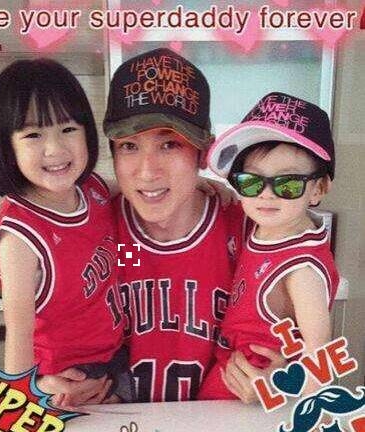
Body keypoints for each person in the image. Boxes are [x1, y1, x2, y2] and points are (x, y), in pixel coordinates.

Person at [102, 48, 283, 403]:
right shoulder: (104, 233)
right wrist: (50, 383)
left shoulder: (249, 231)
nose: (147, 171)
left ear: (204, 152)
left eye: (169, 144)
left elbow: (298, 338)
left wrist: (286, 376)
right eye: (129, 146)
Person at [0, 58, 134, 403]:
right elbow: (18, 339)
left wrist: (201, 185)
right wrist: (31, 394)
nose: (55, 149)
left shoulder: (93, 190)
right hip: (69, 382)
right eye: (33, 135)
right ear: (7, 147)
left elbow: (138, 190)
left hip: (118, 359)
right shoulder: (20, 238)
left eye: (68, 129)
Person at [200, 92, 339, 399]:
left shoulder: (301, 268)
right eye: (251, 182)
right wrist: (198, 183)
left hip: (248, 392)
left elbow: (321, 357)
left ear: (318, 188)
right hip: (229, 375)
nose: (266, 194)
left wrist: (277, 389)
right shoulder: (269, 230)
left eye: (287, 183)